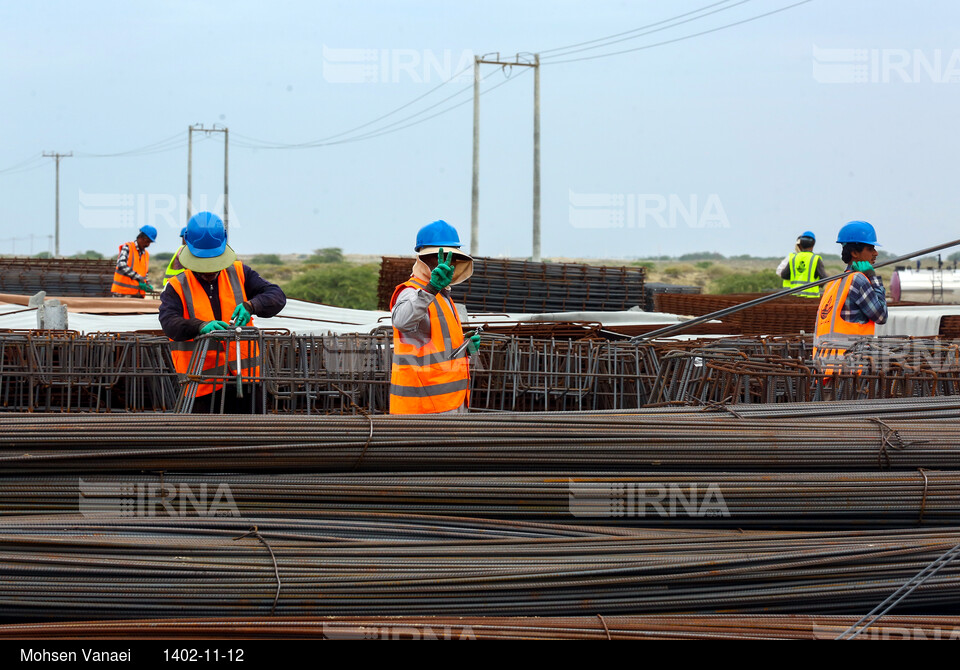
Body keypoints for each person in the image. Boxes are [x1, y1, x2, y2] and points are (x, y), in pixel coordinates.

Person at [158, 212, 286, 413]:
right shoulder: (177, 286)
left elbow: (276, 295)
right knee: (207, 442)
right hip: (201, 384)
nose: (209, 271)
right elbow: (169, 322)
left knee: (251, 439)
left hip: (247, 382)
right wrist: (200, 326)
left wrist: (251, 306)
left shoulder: (239, 273)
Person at [389, 219, 481, 414]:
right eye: (439, 257)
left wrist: (465, 347)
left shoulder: (442, 296)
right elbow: (402, 321)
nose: (446, 263)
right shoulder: (412, 292)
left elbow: (436, 347)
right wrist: (431, 288)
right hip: (423, 409)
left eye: (451, 257)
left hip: (450, 403)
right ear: (423, 259)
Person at [813, 221, 887, 373]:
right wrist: (873, 278)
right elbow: (881, 316)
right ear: (854, 252)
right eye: (870, 248)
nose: (876, 253)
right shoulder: (858, 280)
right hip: (851, 370)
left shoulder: (834, 283)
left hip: (826, 368)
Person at [111, 225, 157, 297]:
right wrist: (138, 277)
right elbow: (121, 264)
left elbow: (144, 274)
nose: (148, 245)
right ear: (141, 237)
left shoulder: (146, 254)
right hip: (122, 293)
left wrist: (147, 284)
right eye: (147, 241)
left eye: (150, 242)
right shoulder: (128, 247)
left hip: (137, 295)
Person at [777, 231, 824, 297]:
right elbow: (823, 278)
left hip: (795, 296)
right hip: (811, 297)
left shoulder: (793, 258)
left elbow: (784, 275)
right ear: (813, 244)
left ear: (800, 244)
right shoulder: (815, 259)